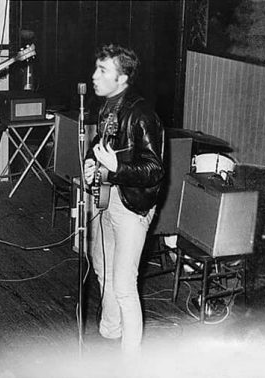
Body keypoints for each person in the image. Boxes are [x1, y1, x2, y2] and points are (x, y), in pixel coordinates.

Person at [83, 44, 164, 355]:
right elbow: (102, 147)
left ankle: (131, 362)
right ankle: (111, 330)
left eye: (102, 70)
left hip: (133, 204)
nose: (94, 76)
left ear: (123, 77)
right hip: (107, 196)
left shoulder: (143, 114)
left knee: (124, 286)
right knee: (102, 266)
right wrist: (93, 163)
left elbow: (154, 169)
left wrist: (117, 168)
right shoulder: (108, 107)